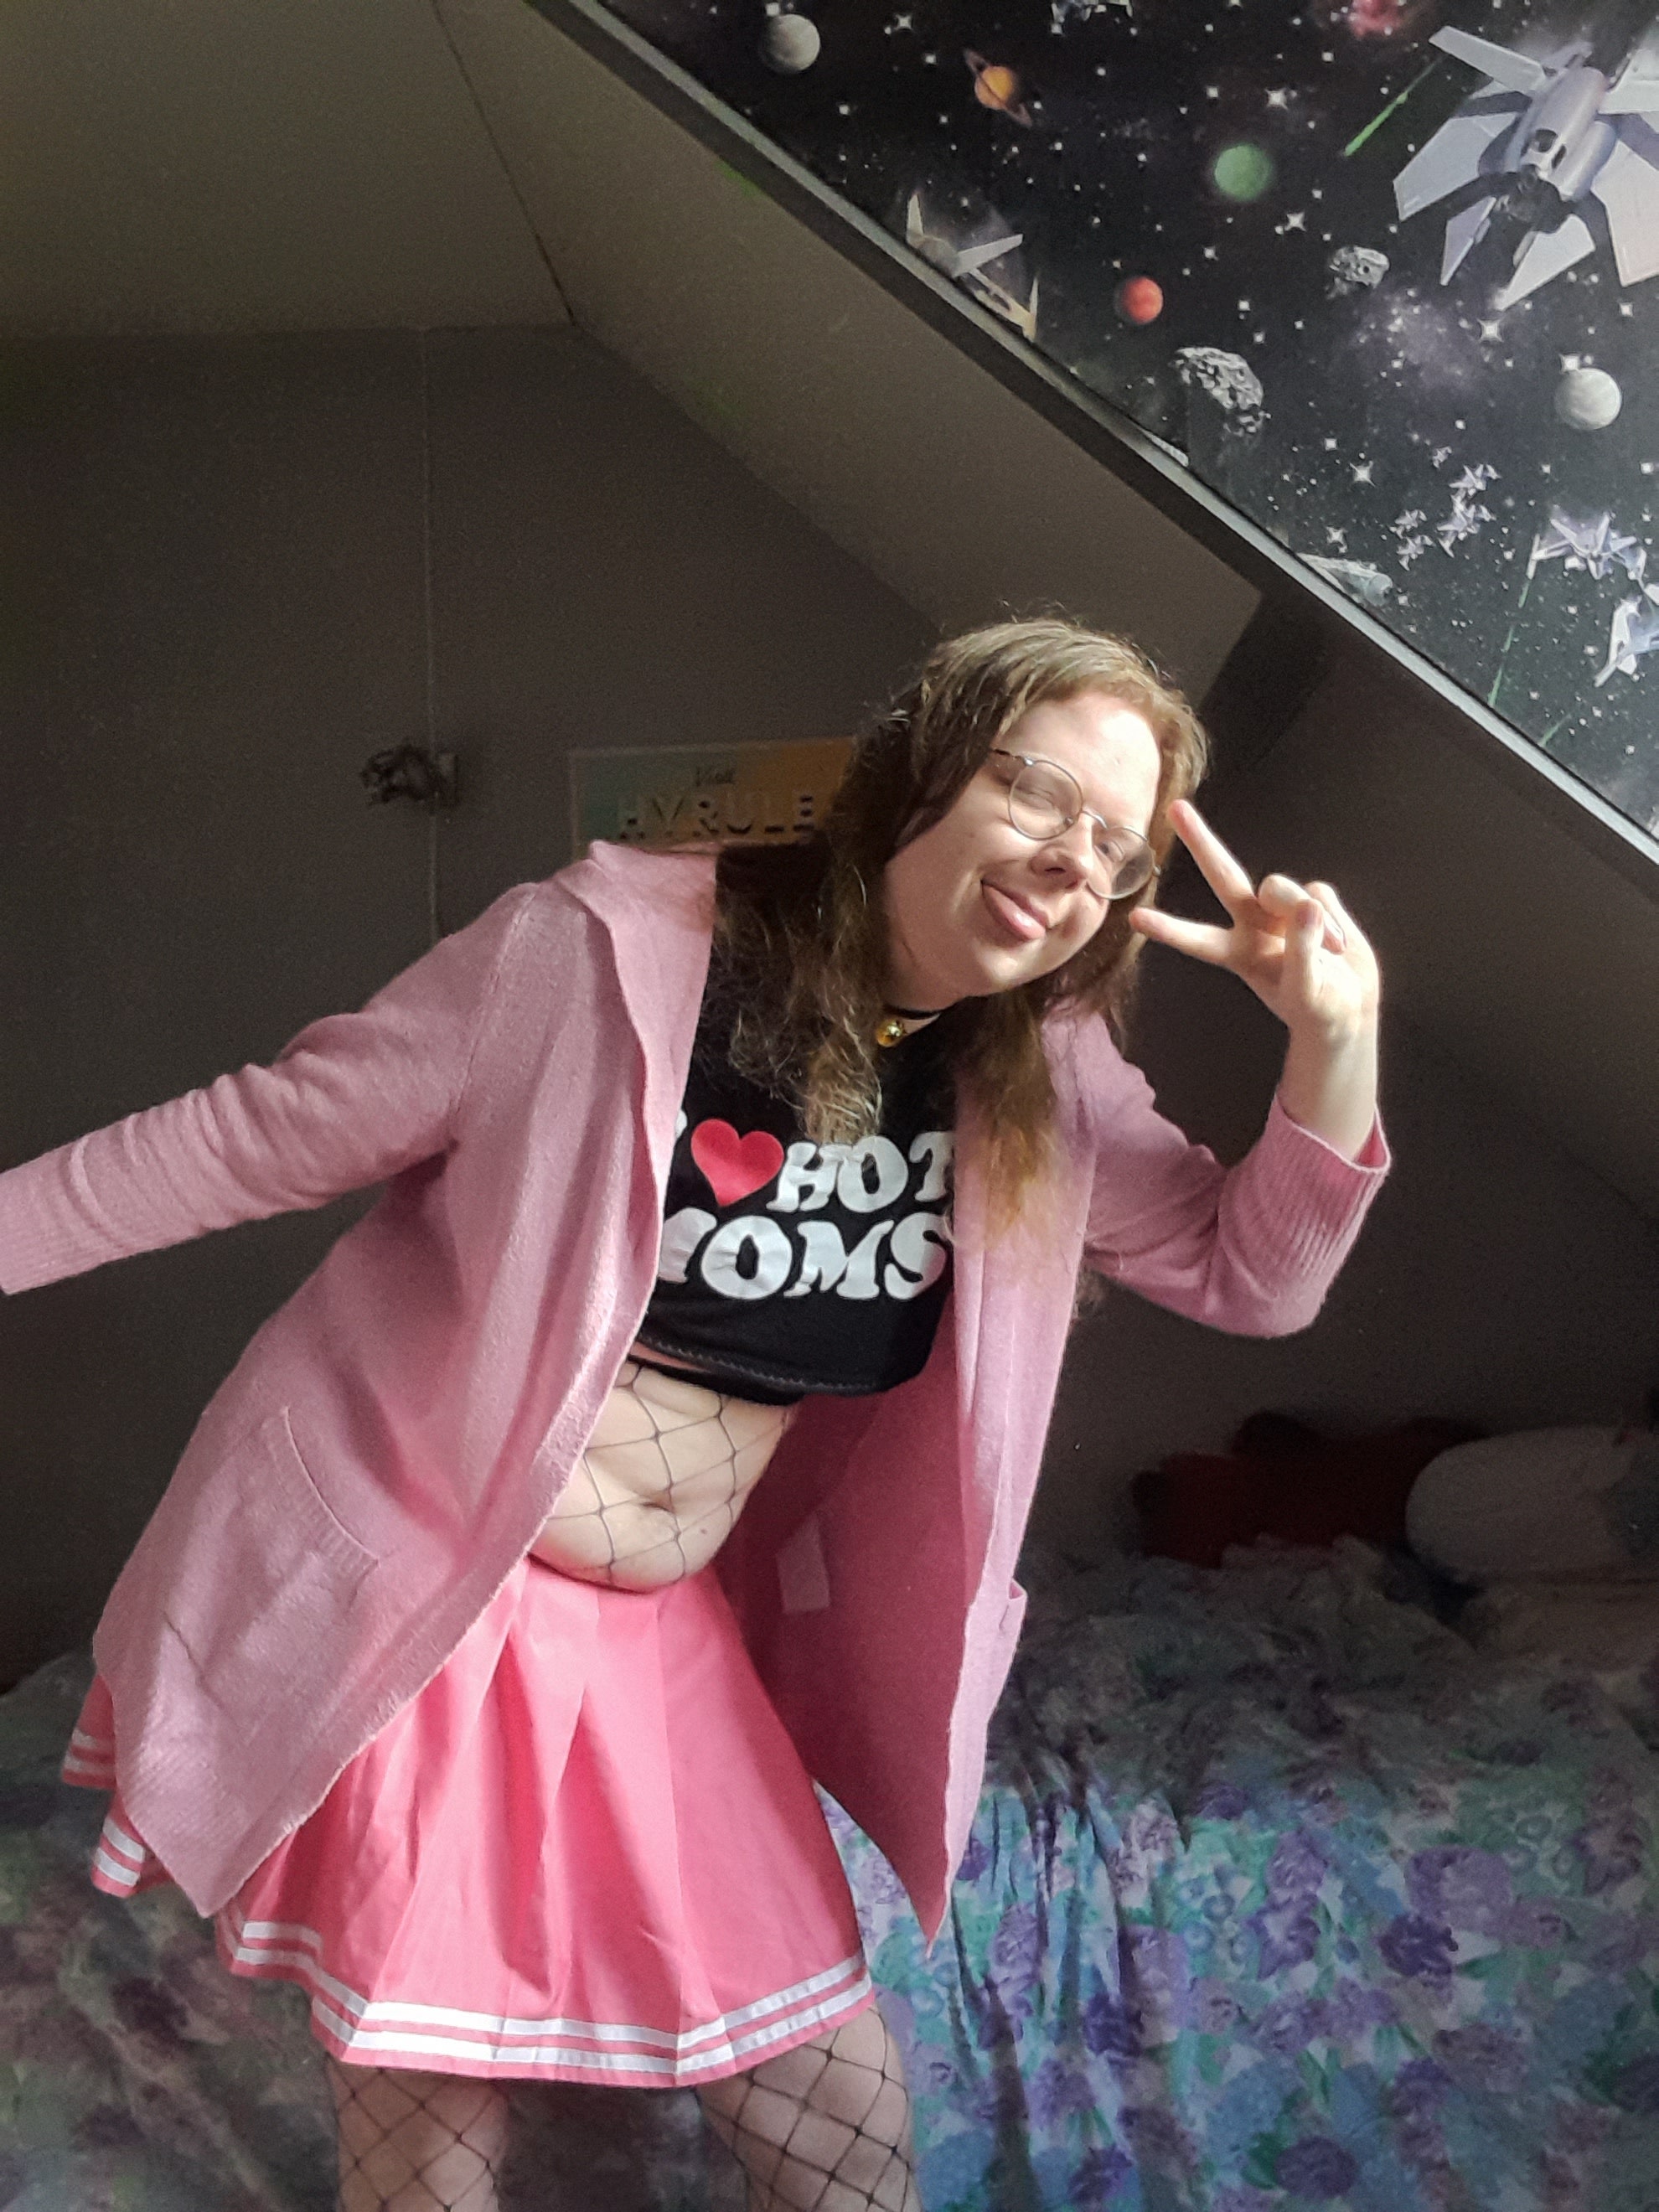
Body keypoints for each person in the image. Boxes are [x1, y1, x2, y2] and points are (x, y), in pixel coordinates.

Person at [8, 618, 1388, 2212]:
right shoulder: (600, 956)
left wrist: (1334, 1040)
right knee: (430, 2132)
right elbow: (251, 1134)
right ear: (922, 774)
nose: (1069, 859)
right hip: (442, 1603)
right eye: (1035, 791)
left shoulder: (1040, 1070)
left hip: (661, 1630)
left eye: (1114, 845)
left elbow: (1250, 1277)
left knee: (835, 2115)